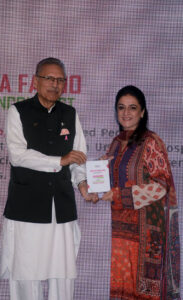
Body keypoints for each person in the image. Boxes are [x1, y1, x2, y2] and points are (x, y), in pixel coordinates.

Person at [0, 57, 97, 300]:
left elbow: (78, 158)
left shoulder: (70, 113)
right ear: (36, 81)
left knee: (62, 275)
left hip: (61, 207)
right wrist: (59, 161)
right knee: (26, 273)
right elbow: (19, 156)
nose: (55, 84)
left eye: (60, 80)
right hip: (27, 207)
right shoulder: (17, 111)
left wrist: (83, 185)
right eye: (49, 78)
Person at [101, 85, 180, 299]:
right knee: (122, 289)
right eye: (121, 107)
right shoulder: (115, 144)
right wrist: (94, 189)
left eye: (132, 108)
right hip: (121, 232)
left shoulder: (151, 142)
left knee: (145, 291)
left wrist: (120, 195)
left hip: (147, 233)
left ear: (142, 112)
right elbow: (105, 180)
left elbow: (161, 187)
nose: (126, 113)